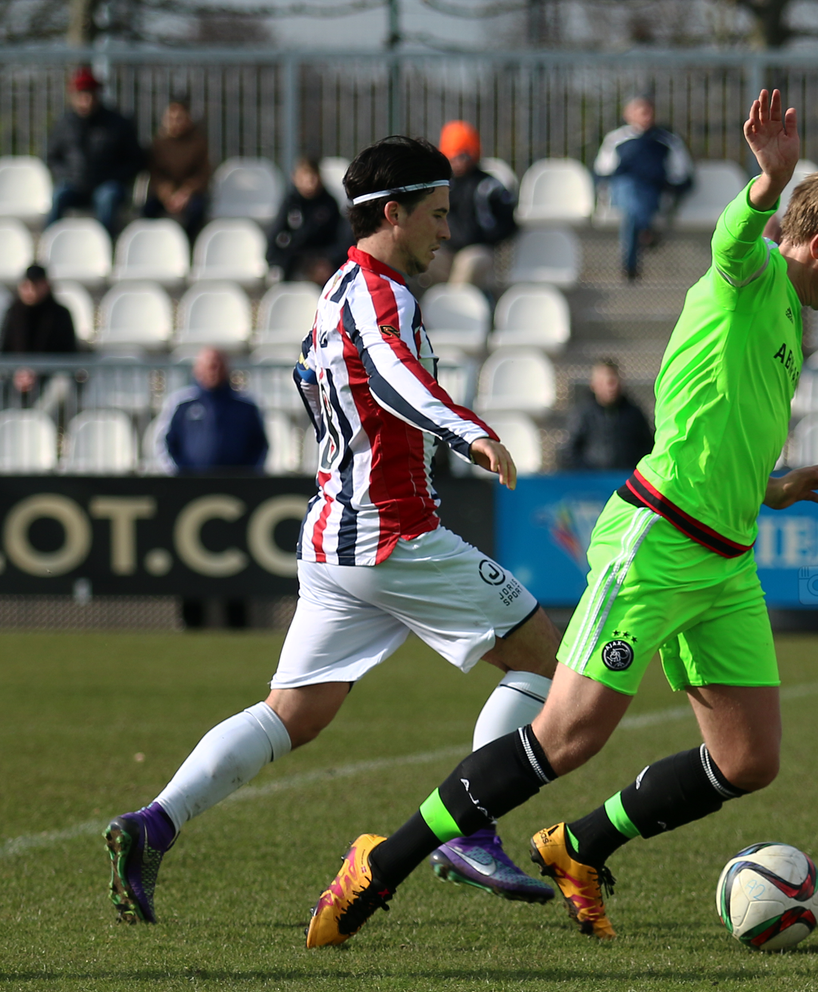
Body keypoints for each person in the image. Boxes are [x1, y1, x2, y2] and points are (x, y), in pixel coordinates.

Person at [304, 91, 818, 948]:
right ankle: (381, 861)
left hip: (725, 559)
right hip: (655, 542)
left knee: (749, 760)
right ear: (816, 245)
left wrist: (772, 485)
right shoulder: (751, 275)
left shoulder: (791, 320)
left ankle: (579, 846)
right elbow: (736, 238)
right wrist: (768, 182)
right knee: (567, 736)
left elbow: (716, 423)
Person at [105, 136, 561, 927]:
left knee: (294, 713)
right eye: (437, 215)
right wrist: (470, 432)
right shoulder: (381, 296)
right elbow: (393, 371)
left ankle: (155, 823)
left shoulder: (337, 290)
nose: (446, 232)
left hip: (335, 540)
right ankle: (471, 825)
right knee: (542, 660)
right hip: (394, 537)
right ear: (395, 214)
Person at [594, 96, 694, 281]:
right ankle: (646, 230)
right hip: (622, 189)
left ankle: (630, 264)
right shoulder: (616, 139)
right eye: (641, 112)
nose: (646, 116)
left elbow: (680, 174)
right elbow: (603, 171)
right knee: (630, 191)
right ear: (628, 115)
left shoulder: (667, 140)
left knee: (633, 211)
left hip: (651, 191)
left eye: (648, 111)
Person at [45, 67, 143, 237]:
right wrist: (68, 175)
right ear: (73, 97)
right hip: (74, 184)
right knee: (59, 196)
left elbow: (135, 159)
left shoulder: (118, 124)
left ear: (98, 95)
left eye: (89, 95)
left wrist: (114, 176)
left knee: (107, 197)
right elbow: (52, 157)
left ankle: (104, 246)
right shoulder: (64, 124)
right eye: (81, 96)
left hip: (106, 184)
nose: (85, 101)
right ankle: (48, 244)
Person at [425, 120, 518, 288]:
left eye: (464, 155)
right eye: (453, 156)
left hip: (478, 249)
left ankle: (455, 307)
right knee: (422, 256)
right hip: (445, 248)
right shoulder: (440, 186)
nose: (459, 161)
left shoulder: (489, 185)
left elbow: (508, 221)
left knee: (469, 263)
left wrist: (487, 237)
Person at [156, 348, 269, 475]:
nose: (214, 371)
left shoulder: (246, 406)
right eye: (209, 366)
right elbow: (164, 442)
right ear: (197, 370)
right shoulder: (181, 403)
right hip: (190, 485)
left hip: (236, 485)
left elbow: (259, 444)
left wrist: (249, 474)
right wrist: (180, 474)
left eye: (218, 366)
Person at [1, 264, 78, 415]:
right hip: (15, 379)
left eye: (35, 285)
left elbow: (68, 354)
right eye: (27, 285)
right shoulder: (13, 313)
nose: (31, 290)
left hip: (48, 378)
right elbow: (5, 350)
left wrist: (39, 371)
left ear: (46, 285)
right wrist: (17, 373)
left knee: (62, 385)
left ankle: (38, 424)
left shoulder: (60, 314)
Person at [265, 156, 350, 286]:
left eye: (313, 176)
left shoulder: (329, 203)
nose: (310, 182)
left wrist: (328, 259)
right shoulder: (290, 203)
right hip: (295, 261)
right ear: (295, 178)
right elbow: (275, 237)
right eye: (305, 176)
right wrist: (278, 263)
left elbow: (340, 241)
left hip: (321, 261)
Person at [558, 359, 654, 471]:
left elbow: (647, 446)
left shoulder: (634, 414)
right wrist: (587, 473)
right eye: (606, 383)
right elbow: (569, 451)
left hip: (626, 480)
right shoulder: (583, 414)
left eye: (614, 382)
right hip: (593, 483)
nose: (611, 388)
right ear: (594, 385)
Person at [143, 97, 211, 241]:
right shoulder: (158, 144)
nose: (174, 122)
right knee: (147, 210)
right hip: (165, 194)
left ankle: (189, 243)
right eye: (170, 118)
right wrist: (167, 194)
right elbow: (155, 174)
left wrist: (185, 193)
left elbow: (203, 174)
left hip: (189, 195)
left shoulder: (198, 143)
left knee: (197, 211)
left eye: (179, 118)